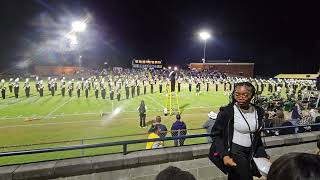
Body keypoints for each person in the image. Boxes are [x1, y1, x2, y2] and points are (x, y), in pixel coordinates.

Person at [210, 82, 268, 180]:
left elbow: (256, 137)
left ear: (252, 95)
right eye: (237, 94)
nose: (240, 97)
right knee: (246, 177)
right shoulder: (227, 111)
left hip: (251, 151)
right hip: (235, 151)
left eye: (245, 95)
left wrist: (262, 154)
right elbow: (216, 135)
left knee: (235, 177)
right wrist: (224, 155)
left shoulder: (258, 111)